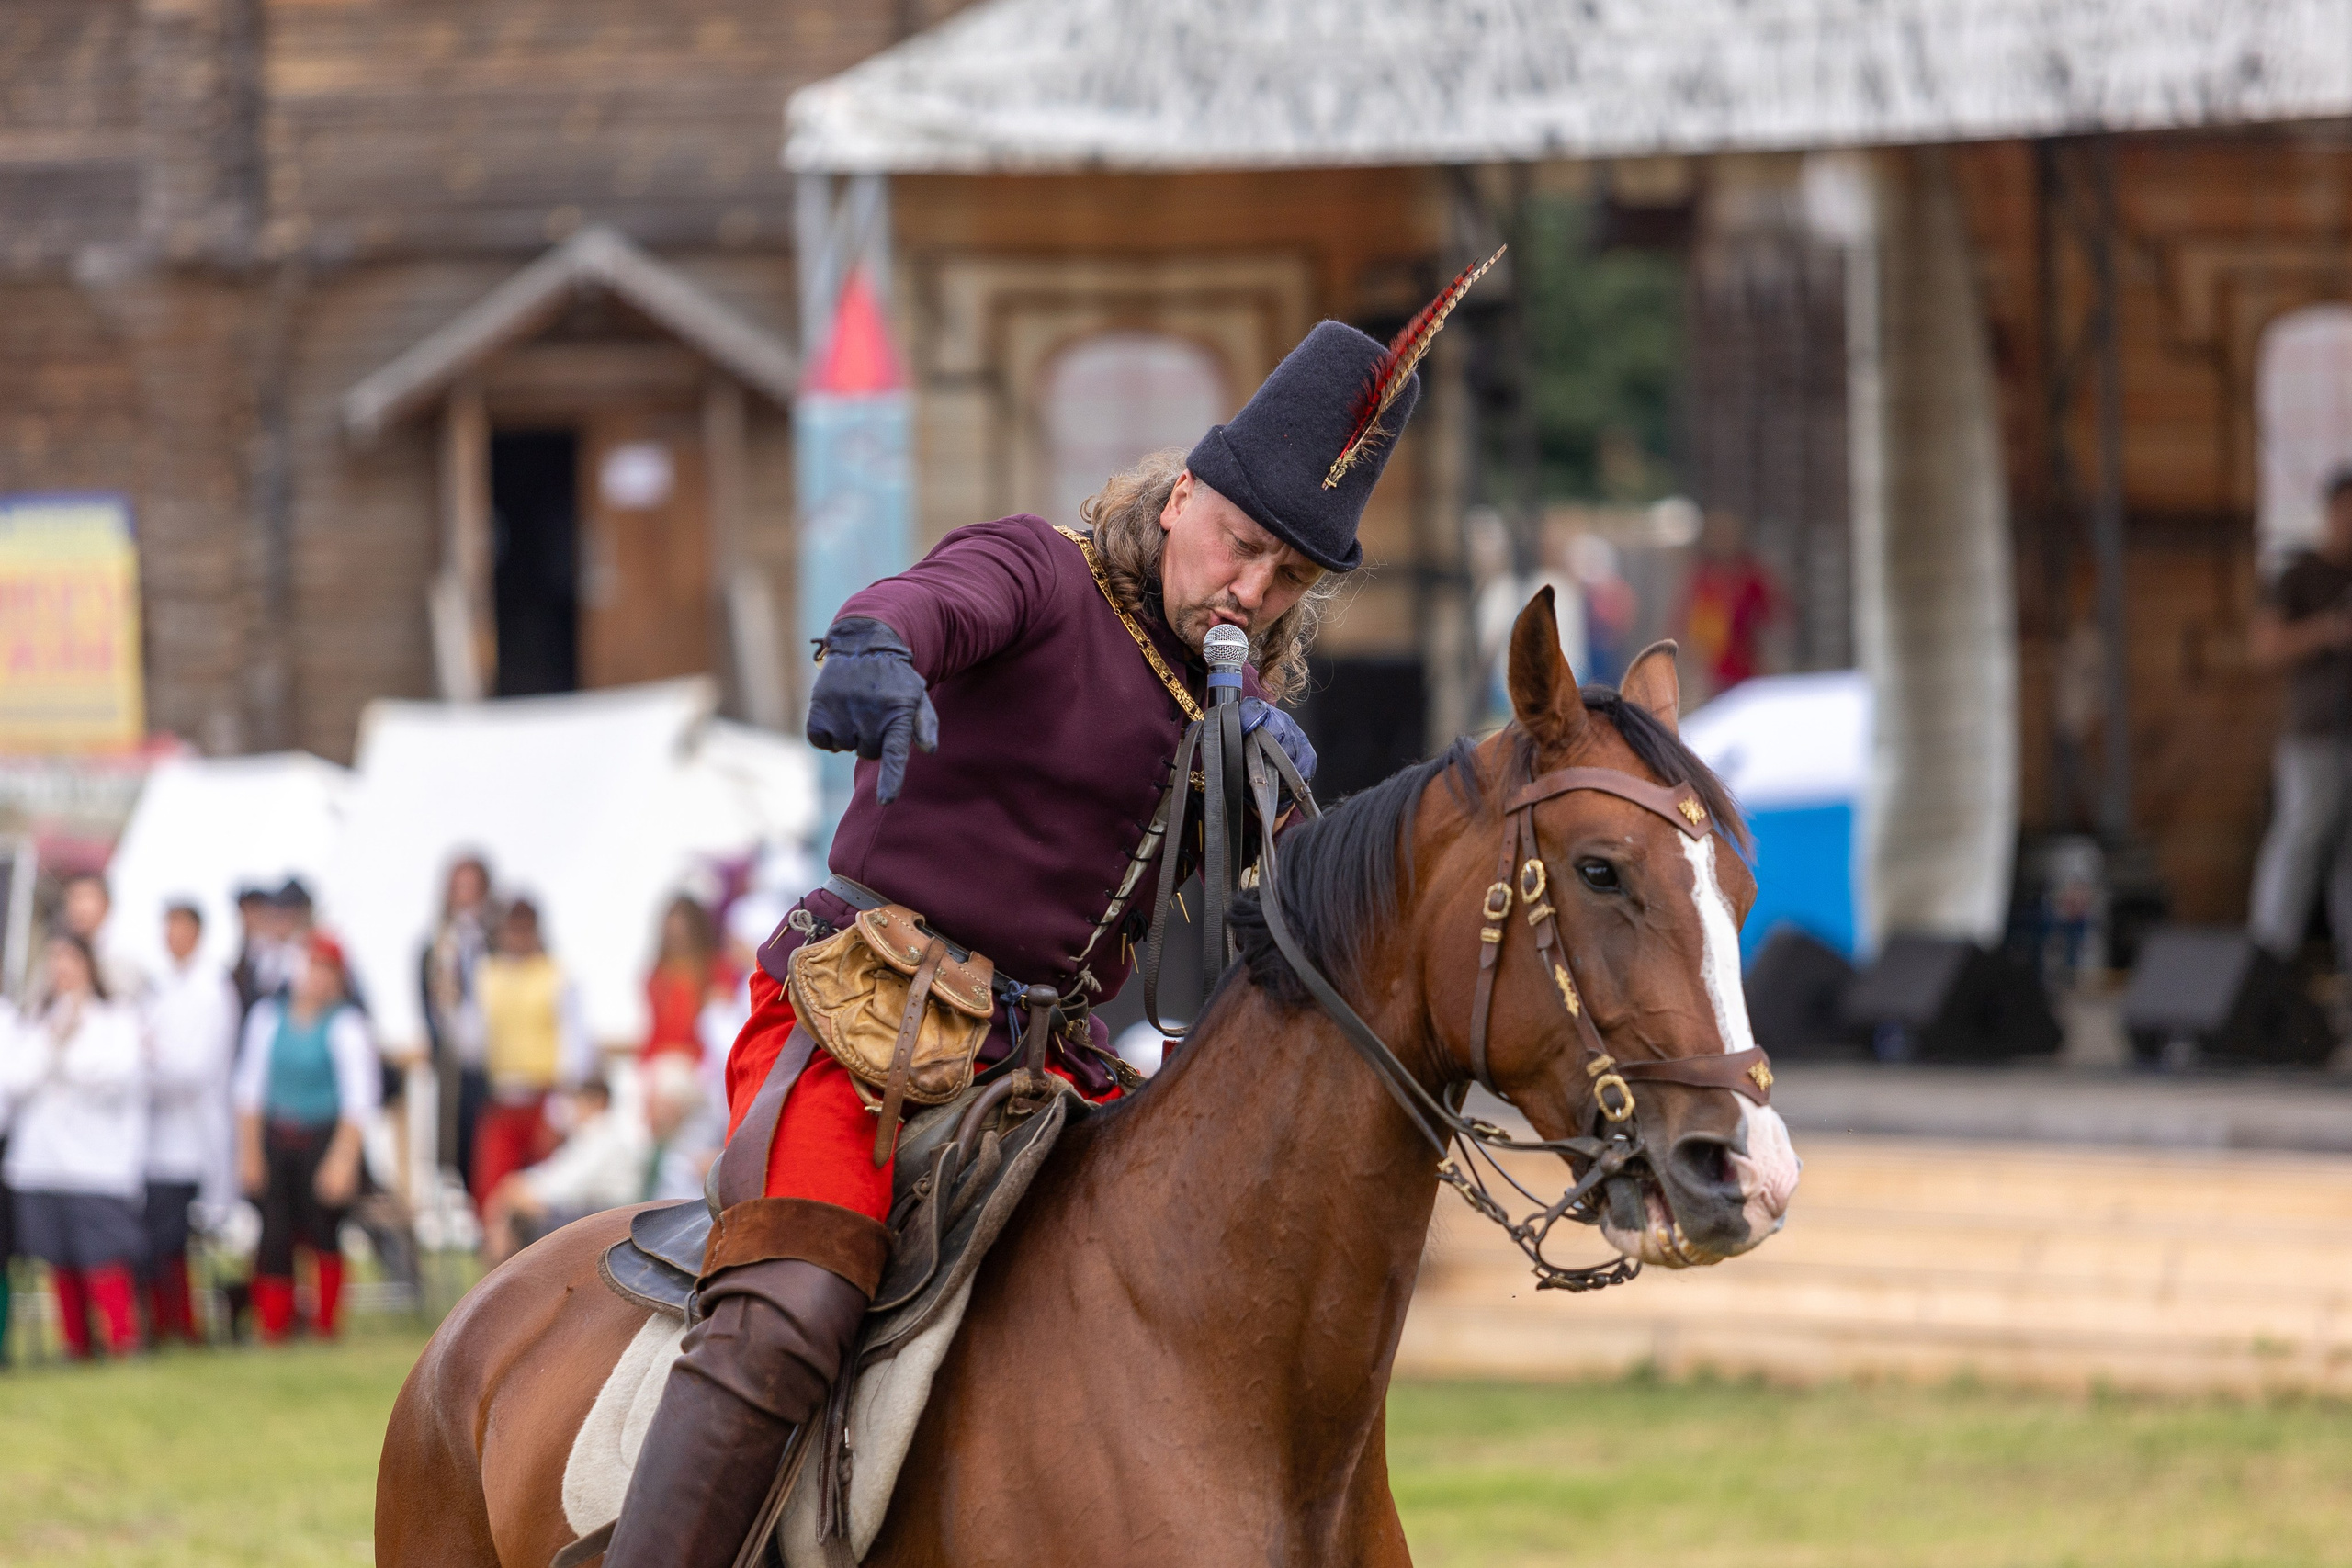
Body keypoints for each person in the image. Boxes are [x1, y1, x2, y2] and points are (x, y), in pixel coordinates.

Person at [602, 303, 1445, 1568]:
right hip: (864, 1027)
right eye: (1242, 546)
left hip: (1049, 1071)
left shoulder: (1238, 707)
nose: (1253, 591)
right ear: (1181, 497)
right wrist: (878, 648)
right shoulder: (1042, 572)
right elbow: (930, 600)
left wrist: (1277, 813)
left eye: (1289, 579)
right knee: (794, 1302)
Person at [0, 934, 148, 1359]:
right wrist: (54, 1040)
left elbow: (115, 1077)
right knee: (58, 1256)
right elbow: (16, 1080)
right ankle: (75, 1343)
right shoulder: (34, 1021)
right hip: (40, 1161)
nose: (61, 968)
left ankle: (122, 1339)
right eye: (55, 959)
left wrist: (63, 1060)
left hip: (96, 1163)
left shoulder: (117, 1019)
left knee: (103, 1255)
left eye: (70, 959)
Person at [233, 931, 379, 1342]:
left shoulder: (345, 1025)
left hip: (322, 1137)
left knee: (323, 1229)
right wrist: (248, 1153)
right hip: (278, 1138)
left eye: (325, 969)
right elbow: (248, 1090)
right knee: (274, 1229)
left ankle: (325, 1323)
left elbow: (358, 1098)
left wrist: (343, 1160)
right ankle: (274, 1324)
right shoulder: (267, 1017)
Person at [2249, 468, 2352, 972]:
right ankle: (2267, 962)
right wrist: (2327, 631)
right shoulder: (2299, 575)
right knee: (2299, 842)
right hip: (2315, 739)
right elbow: (2266, 647)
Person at [142, 900, 241, 1346]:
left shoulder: (211, 990)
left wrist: (145, 1067)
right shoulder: (161, 988)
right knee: (161, 1239)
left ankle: (189, 1323)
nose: (172, 937)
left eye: (180, 928)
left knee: (182, 1238)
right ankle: (167, 1319)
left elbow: (196, 1068)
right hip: (157, 1139)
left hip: (193, 1137)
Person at [467, 898, 592, 1211]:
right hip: (502, 1099)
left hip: (543, 1100)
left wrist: (560, 1108)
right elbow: (471, 1042)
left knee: (544, 1195)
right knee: (494, 1197)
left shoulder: (558, 975)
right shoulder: (486, 974)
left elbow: (574, 1046)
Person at [421, 854, 497, 1193]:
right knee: (456, 1143)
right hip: (454, 1065)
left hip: (495, 1062)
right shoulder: (436, 947)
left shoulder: (496, 943)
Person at [643, 897, 718, 1065]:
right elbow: (656, 1028)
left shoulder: (715, 971)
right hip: (660, 1058)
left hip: (700, 1061)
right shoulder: (657, 976)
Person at [60, 871, 148, 1003]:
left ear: (106, 903)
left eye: (86, 898)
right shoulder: (62, 949)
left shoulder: (123, 953)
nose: (79, 907)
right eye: (74, 898)